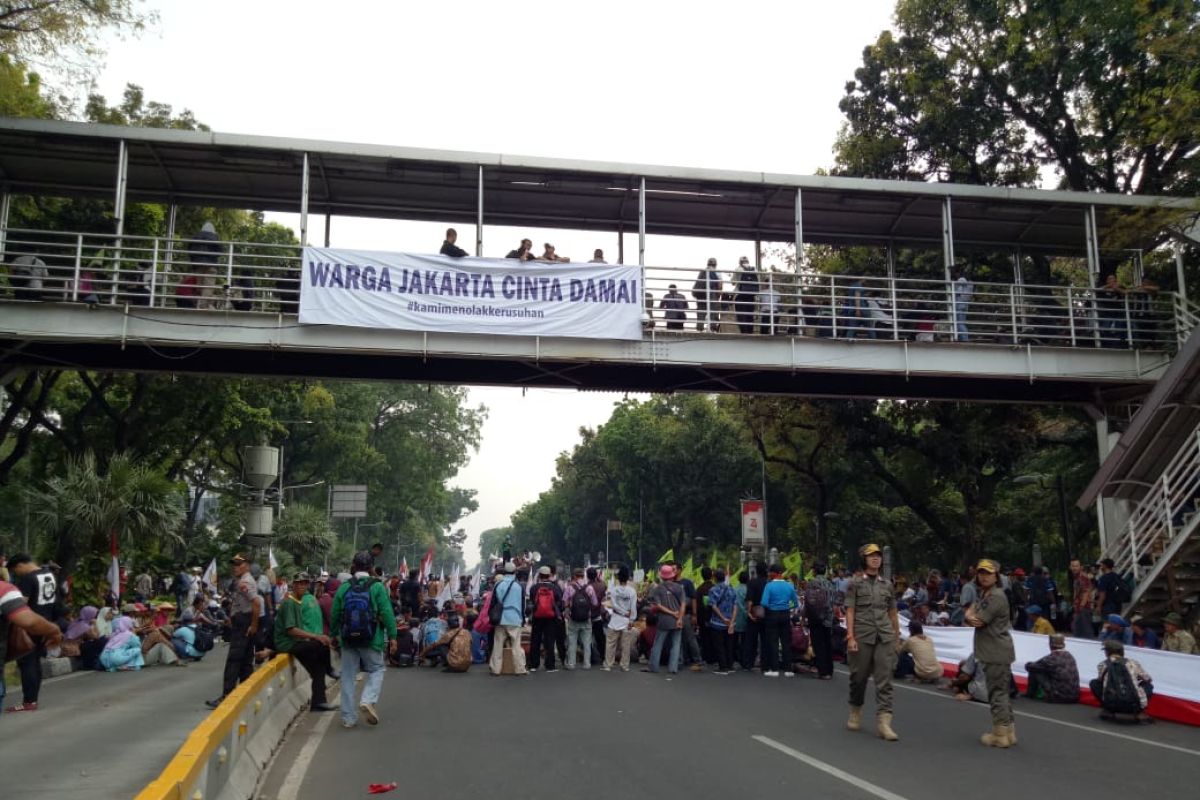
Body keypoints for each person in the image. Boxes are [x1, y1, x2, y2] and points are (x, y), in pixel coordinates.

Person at [332, 552, 399, 727]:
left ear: (353, 566)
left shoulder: (344, 587)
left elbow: (335, 614)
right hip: (371, 638)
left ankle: (348, 718)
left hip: (348, 639)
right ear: (371, 568)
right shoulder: (377, 587)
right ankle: (367, 700)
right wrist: (392, 636)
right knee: (377, 669)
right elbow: (387, 613)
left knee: (348, 676)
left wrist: (334, 635)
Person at [845, 543, 900, 741]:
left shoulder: (888, 584)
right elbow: (850, 610)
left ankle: (884, 722)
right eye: (871, 556)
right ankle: (855, 710)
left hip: (884, 635)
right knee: (858, 677)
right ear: (864, 560)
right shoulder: (855, 583)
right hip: (862, 633)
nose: (876, 558)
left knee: (884, 679)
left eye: (878, 555)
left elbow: (893, 612)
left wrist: (896, 636)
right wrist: (850, 636)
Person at [965, 558, 1017, 748]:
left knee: (996, 693)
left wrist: (968, 614)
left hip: (995, 651)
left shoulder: (995, 596)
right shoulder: (986, 595)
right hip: (995, 649)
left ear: (996, 576)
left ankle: (1000, 734)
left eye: (988, 573)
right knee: (1001, 692)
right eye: (981, 573)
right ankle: (1009, 731)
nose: (984, 576)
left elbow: (977, 620)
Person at [6, 553, 64, 713]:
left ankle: (29, 701)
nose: (17, 574)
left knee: (27, 663)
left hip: (30, 625)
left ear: (19, 566)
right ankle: (33, 698)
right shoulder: (50, 574)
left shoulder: (28, 579)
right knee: (36, 661)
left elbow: (20, 603)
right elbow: (56, 601)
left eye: (15, 571)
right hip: (46, 624)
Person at [273, 572, 337, 712]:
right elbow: (291, 630)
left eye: (304, 583)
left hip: (296, 642)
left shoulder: (299, 601)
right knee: (320, 643)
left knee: (318, 669)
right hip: (288, 643)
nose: (302, 586)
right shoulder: (290, 602)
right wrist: (316, 636)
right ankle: (329, 669)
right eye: (299, 583)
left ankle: (318, 702)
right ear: (293, 585)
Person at [206, 554, 262, 709]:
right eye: (234, 564)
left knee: (234, 660)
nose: (235, 567)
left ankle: (227, 695)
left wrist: (254, 624)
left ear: (247, 565)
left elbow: (256, 603)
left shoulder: (244, 582)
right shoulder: (244, 580)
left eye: (239, 564)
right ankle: (246, 694)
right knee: (245, 661)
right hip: (244, 620)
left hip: (244, 622)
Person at [1090, 639, 1154, 723]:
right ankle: (1139, 711)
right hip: (1134, 704)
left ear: (1107, 652)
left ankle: (1107, 710)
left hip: (1112, 703)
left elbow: (1100, 681)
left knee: (1094, 683)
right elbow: (1148, 679)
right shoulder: (1133, 663)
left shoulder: (1102, 664)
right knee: (1148, 685)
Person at [487, 561, 527, 676]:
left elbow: (493, 603)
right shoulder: (519, 586)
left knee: (498, 645)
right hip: (515, 618)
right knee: (516, 646)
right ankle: (519, 669)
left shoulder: (498, 585)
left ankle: (496, 669)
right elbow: (522, 604)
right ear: (515, 572)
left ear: (504, 572)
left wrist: (492, 617)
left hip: (500, 619)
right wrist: (523, 619)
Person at [646, 564, 686, 674]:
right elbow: (683, 604)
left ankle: (654, 667)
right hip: (678, 620)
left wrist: (672, 613)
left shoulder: (657, 589)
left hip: (664, 620)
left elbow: (659, 606)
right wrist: (679, 617)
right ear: (672, 576)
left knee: (658, 643)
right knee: (676, 644)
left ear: (662, 576)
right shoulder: (679, 588)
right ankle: (673, 668)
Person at [761, 564, 798, 678]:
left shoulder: (769, 586)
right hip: (785, 614)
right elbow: (795, 603)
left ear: (775, 573)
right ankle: (787, 668)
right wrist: (786, 605)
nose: (769, 574)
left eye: (770, 572)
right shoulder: (790, 586)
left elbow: (764, 603)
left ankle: (775, 668)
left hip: (772, 615)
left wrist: (773, 605)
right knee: (786, 642)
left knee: (773, 642)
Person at [1024, 633, 1080, 703]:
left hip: (1058, 696)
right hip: (1074, 696)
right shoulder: (1070, 656)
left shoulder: (1050, 659)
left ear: (1050, 645)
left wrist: (1030, 664)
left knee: (1035, 670)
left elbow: (1029, 666)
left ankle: (1030, 694)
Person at [527, 565, 562, 673]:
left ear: (540, 575)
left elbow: (531, 601)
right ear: (549, 575)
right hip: (551, 617)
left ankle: (533, 665)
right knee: (550, 640)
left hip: (537, 616)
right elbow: (559, 602)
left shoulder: (534, 588)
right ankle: (550, 665)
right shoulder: (555, 588)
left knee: (535, 640)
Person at [805, 562, 836, 680]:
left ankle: (823, 671)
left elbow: (809, 601)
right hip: (829, 617)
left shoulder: (812, 583)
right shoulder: (831, 583)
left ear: (814, 571)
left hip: (816, 617)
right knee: (827, 643)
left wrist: (805, 616)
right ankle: (829, 670)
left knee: (818, 644)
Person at [562, 567, 598, 670]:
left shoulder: (569, 588)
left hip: (573, 619)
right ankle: (587, 664)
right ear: (583, 576)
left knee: (572, 642)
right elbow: (595, 603)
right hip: (586, 619)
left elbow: (565, 603)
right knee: (587, 642)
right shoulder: (589, 588)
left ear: (574, 576)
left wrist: (567, 613)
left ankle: (571, 664)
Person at [603, 566, 638, 672]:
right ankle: (624, 665)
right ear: (628, 578)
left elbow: (614, 605)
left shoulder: (613, 590)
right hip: (626, 621)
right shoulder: (632, 591)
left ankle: (608, 665)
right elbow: (633, 607)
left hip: (615, 620)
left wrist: (622, 612)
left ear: (618, 578)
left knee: (610, 643)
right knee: (626, 645)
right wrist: (631, 619)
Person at [706, 569, 738, 675]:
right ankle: (730, 665)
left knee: (719, 645)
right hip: (730, 622)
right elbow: (735, 606)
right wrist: (732, 621)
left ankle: (722, 667)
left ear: (714, 578)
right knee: (729, 645)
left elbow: (713, 605)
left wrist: (722, 618)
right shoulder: (731, 589)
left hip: (717, 622)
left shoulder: (713, 590)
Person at [692, 258, 724, 332]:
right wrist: (718, 296)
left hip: (701, 294)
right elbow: (719, 285)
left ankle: (699, 329)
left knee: (701, 312)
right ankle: (712, 329)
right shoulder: (717, 272)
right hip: (711, 294)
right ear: (715, 264)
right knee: (713, 312)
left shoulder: (703, 271)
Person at [733, 256, 760, 334]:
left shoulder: (738, 269)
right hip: (751, 296)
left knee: (741, 315)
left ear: (740, 262)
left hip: (740, 295)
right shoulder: (754, 269)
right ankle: (749, 332)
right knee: (750, 315)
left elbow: (733, 282)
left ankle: (743, 332)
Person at [1069, 558, 1095, 638]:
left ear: (1080, 567)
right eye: (1073, 566)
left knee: (1085, 631)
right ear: (1070, 567)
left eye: (1076, 566)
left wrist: (1081, 606)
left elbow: (1086, 592)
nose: (1074, 568)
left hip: (1083, 608)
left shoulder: (1082, 577)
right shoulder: (1076, 577)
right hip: (1078, 607)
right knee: (1078, 631)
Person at [952, 266, 974, 341]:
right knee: (961, 323)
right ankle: (963, 338)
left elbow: (958, 292)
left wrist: (954, 285)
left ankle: (965, 339)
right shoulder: (969, 282)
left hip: (960, 304)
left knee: (960, 323)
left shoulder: (962, 279)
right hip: (964, 304)